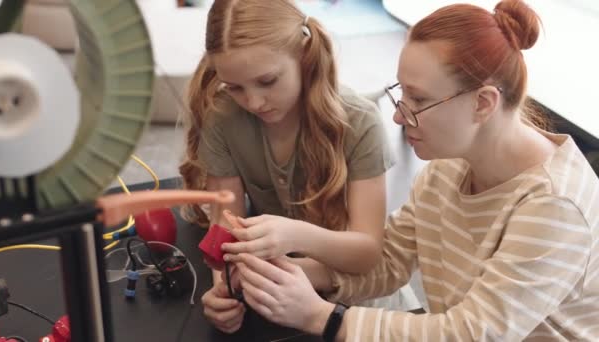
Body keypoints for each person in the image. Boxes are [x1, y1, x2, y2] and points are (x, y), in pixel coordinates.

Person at [228, 0, 599, 340]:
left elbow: (470, 333)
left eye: (418, 99)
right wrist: (294, 277)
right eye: (401, 93)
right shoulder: (449, 167)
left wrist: (324, 317)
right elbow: (391, 259)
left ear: (483, 103)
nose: (397, 114)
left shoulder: (555, 206)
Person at [178, 0, 396, 334]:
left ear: (304, 56)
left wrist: (294, 235)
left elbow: (367, 252)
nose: (253, 102)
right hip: (270, 286)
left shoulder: (360, 123)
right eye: (234, 87)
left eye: (267, 81)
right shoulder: (222, 119)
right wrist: (225, 289)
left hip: (350, 296)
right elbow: (226, 226)